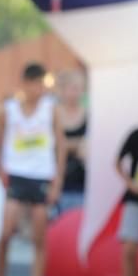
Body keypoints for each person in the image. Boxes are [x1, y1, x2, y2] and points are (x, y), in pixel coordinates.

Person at [0, 62, 66, 276]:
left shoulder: (51, 109)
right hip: (17, 176)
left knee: (38, 238)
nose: (37, 90)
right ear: (24, 84)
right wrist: (1, 171)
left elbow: (61, 148)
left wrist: (56, 183)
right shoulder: (10, 110)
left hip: (42, 176)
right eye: (32, 84)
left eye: (40, 85)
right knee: (6, 232)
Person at [109, 125, 138, 276]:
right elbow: (117, 161)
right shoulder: (137, 134)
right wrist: (130, 184)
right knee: (129, 249)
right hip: (136, 200)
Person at [55, 69, 88, 213]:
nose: (77, 93)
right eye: (73, 88)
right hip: (56, 181)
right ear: (63, 90)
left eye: (80, 89)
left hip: (81, 181)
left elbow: (88, 148)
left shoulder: (88, 115)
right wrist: (74, 145)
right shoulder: (53, 114)